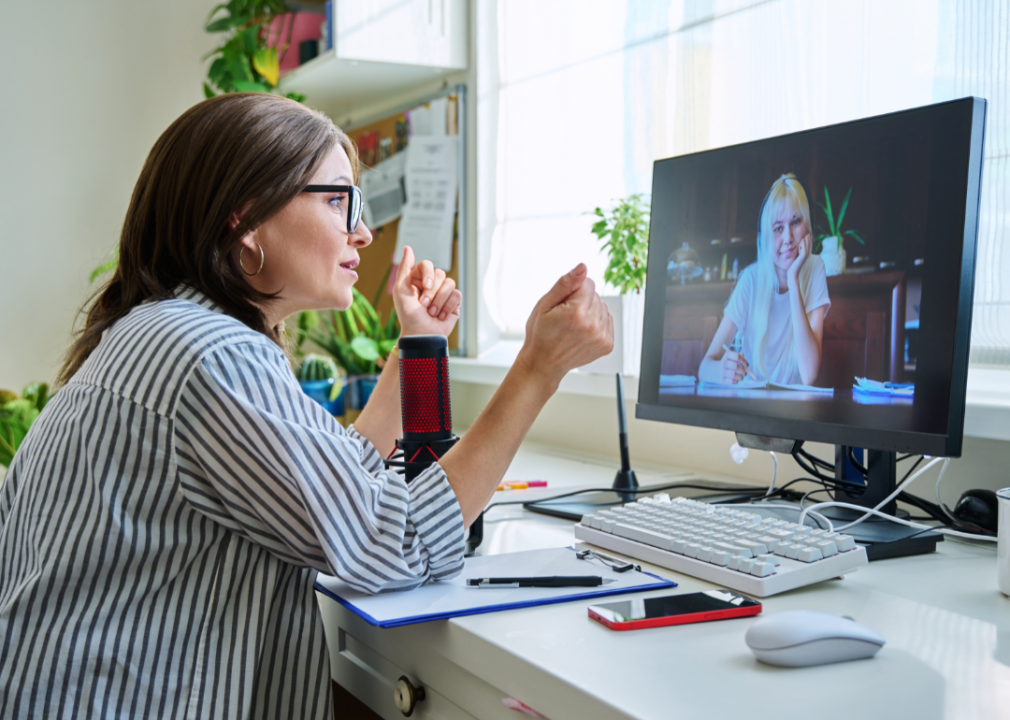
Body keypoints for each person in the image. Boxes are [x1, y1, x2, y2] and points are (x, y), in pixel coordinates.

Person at [0, 94, 613, 720]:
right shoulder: (210, 355)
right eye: (336, 199)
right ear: (247, 220)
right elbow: (393, 539)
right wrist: (539, 370)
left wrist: (418, 349)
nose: (364, 232)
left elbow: (333, 480)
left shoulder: (156, 332)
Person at [698, 173, 830, 387]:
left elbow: (809, 374)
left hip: (795, 411)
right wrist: (721, 371)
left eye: (795, 222)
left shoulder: (815, 268)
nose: (788, 238)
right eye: (778, 228)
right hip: (754, 406)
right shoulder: (751, 280)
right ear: (767, 237)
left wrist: (793, 279)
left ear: (807, 226)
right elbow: (704, 367)